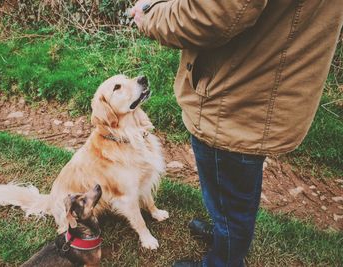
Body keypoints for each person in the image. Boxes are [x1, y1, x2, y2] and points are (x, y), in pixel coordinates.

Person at [130, 1, 343, 266]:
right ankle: (226, 235)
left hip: (236, 99)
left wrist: (149, 16)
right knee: (232, 195)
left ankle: (225, 256)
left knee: (230, 194)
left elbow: (216, 12)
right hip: (256, 85)